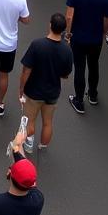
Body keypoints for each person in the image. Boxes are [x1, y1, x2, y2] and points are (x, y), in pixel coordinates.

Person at [65, 0, 108, 114]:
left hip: (78, 37)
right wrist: (103, 32)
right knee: (94, 65)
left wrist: (68, 34)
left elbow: (69, 16)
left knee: (79, 67)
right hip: (95, 39)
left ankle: (79, 100)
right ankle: (93, 95)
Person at [19, 12, 73, 154]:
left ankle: (28, 144)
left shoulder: (37, 45)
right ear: (63, 29)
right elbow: (66, 75)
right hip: (52, 93)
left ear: (50, 25)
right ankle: (43, 145)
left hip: (34, 91)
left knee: (30, 120)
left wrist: (21, 88)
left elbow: (26, 70)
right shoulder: (67, 50)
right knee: (48, 122)